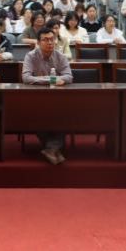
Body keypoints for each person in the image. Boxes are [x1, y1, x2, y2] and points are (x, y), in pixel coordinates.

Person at [21, 27, 73, 165]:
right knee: (37, 115)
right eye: (45, 40)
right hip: (36, 99)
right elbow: (26, 77)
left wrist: (43, 79)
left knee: (65, 114)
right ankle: (54, 149)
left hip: (58, 100)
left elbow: (69, 76)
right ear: (38, 42)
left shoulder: (60, 56)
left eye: (52, 39)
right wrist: (51, 80)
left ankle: (50, 149)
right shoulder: (30, 56)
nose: (50, 42)